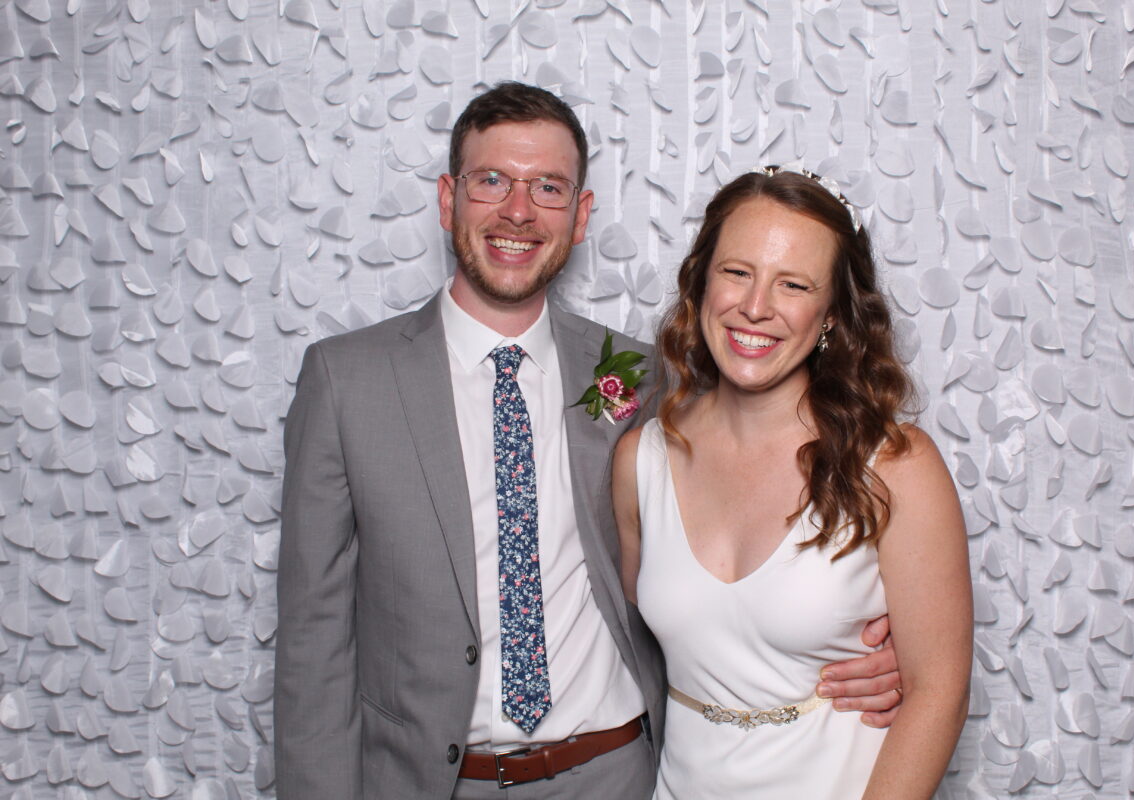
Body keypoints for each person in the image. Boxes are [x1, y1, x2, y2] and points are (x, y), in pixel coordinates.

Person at [275, 84, 905, 800]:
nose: (519, 210)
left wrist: (862, 653)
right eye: (492, 181)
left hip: (613, 777)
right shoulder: (346, 380)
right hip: (427, 783)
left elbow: (741, 537)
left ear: (580, 217)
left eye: (548, 187)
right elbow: (311, 642)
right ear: (448, 199)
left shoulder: (641, 374)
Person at [613, 166, 973, 799]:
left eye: (793, 284)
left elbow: (938, 694)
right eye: (736, 272)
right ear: (700, 281)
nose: (755, 307)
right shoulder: (640, 459)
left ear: (831, 312)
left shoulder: (894, 466)